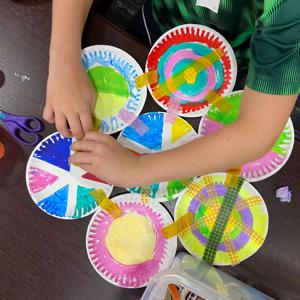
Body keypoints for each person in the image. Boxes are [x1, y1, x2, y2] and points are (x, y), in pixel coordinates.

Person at [43, 0, 299, 188]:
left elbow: (256, 131)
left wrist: (137, 169)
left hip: (238, 64)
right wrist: (63, 62)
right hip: (154, 29)